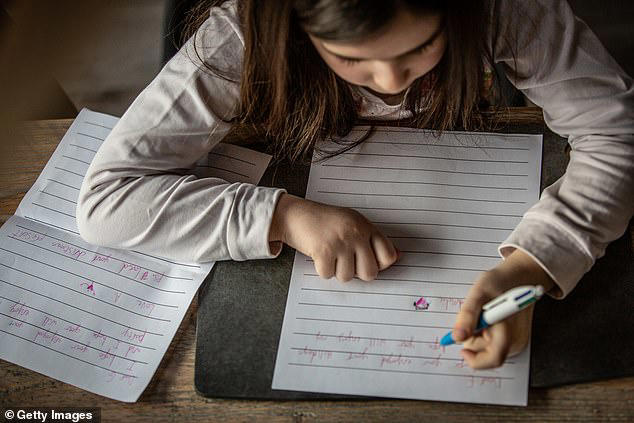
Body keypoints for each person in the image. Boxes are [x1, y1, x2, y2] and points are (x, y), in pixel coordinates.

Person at [76, 0, 634, 370]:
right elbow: (108, 200)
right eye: (351, 58)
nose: (392, 82)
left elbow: (618, 136)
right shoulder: (239, 37)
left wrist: (533, 267)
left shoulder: (506, 9)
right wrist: (283, 217)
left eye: (421, 45)